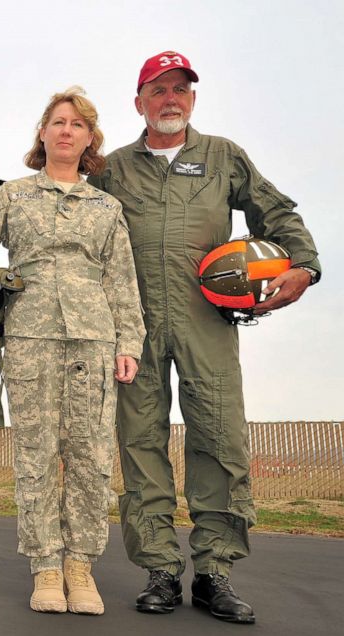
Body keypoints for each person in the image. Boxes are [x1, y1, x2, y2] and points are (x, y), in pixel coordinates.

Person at [87, 51, 322, 625]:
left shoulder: (223, 158)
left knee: (219, 441)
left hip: (206, 322)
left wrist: (305, 266)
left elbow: (277, 212)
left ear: (193, 99)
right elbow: (72, 223)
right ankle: (161, 571)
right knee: (141, 446)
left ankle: (215, 572)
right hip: (132, 328)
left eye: (182, 90)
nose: (172, 99)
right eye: (159, 89)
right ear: (138, 102)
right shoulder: (112, 169)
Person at [0, 87, 145, 615]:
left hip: (94, 342)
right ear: (42, 134)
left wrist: (129, 341)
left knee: (91, 458)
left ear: (90, 140)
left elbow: (122, 282)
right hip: (29, 341)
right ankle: (46, 567)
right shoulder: (10, 197)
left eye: (78, 125)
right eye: (58, 122)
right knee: (36, 457)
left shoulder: (108, 209)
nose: (67, 130)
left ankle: (80, 566)